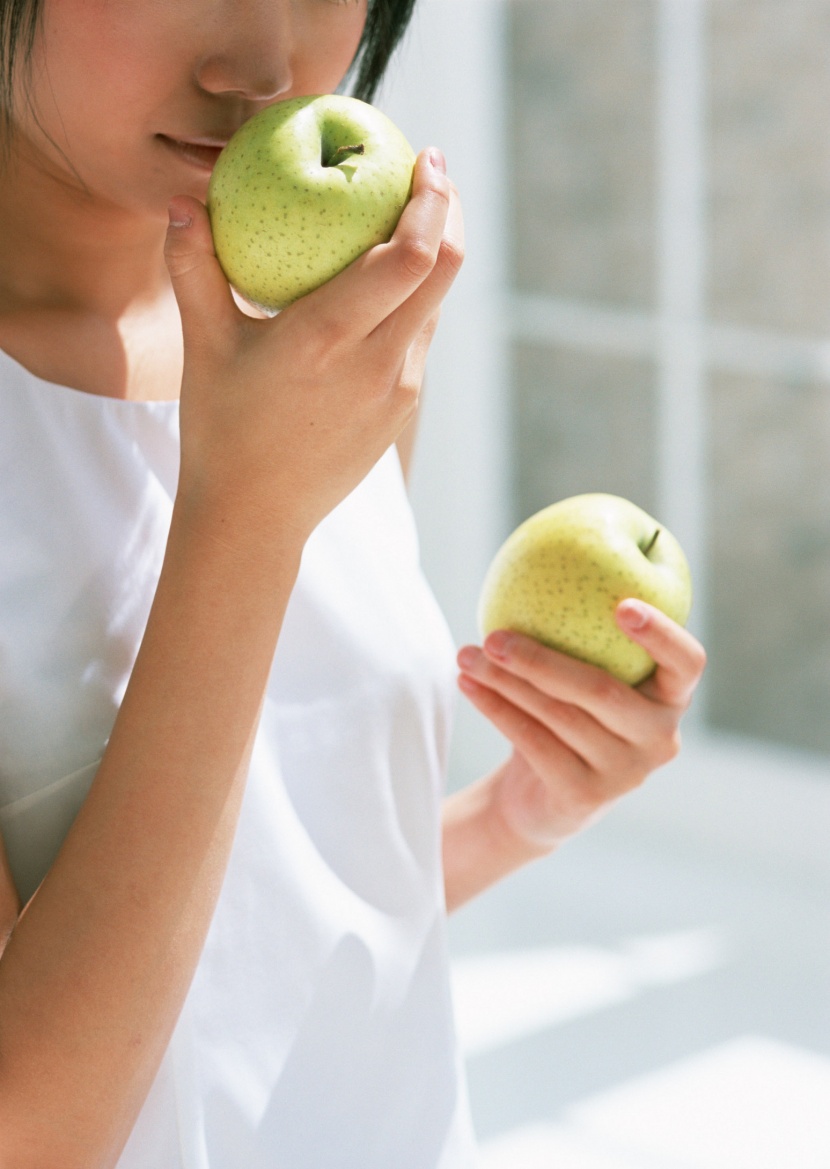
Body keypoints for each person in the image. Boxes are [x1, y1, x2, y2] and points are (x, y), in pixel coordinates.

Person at [0, 1, 707, 1165]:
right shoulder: (286, 411)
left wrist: (509, 818)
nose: (262, 67)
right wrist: (245, 512)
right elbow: (34, 1128)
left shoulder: (313, 343)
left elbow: (265, 912)